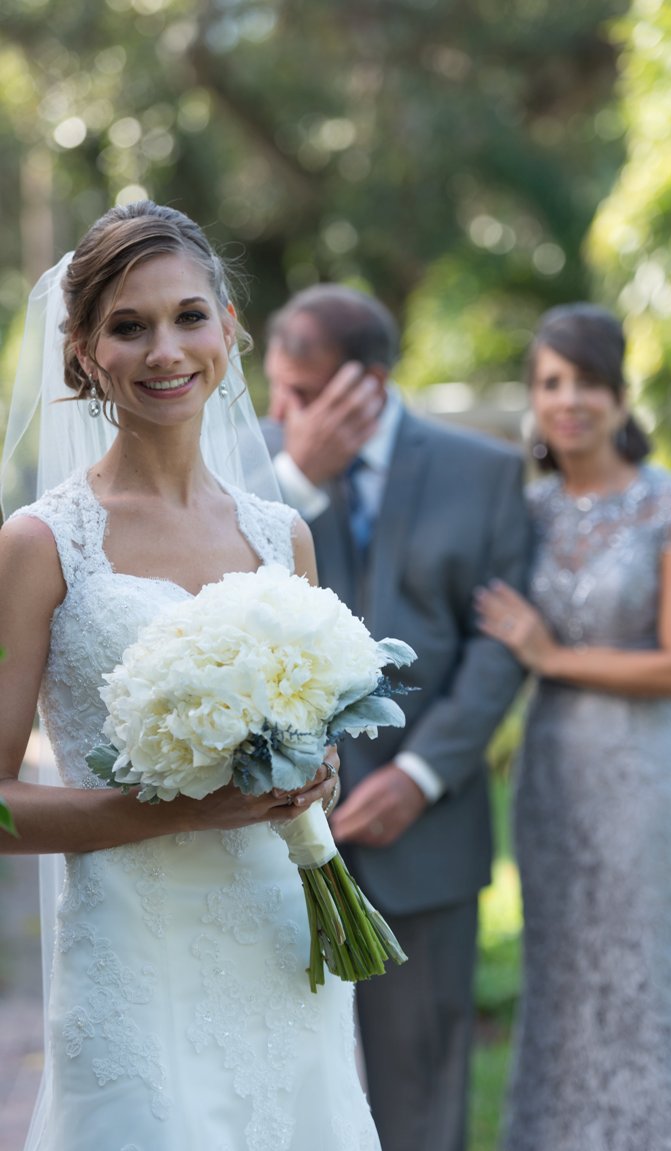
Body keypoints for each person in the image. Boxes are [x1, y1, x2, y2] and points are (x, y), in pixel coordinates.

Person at [0, 201, 382, 1151]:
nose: (164, 350)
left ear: (230, 328)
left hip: (278, 938)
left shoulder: (280, 534)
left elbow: (308, 727)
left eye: (187, 317)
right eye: (128, 326)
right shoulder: (43, 544)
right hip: (134, 952)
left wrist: (314, 772)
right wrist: (179, 809)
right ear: (82, 352)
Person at [261, 284, 531, 1151]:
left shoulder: (482, 472)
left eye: (300, 393)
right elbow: (213, 606)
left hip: (429, 831)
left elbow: (502, 646)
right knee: (272, 1092)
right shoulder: (247, 468)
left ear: (369, 384)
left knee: (423, 1090)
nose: (278, 410)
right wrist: (298, 473)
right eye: (274, 388)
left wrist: (419, 776)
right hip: (269, 833)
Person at [475, 303, 671, 1151]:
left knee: (645, 973)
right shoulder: (529, 511)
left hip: (646, 774)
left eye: (585, 380)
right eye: (550, 382)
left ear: (620, 394)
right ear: (533, 397)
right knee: (563, 973)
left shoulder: (670, 508)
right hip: (554, 776)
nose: (567, 399)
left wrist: (554, 656)